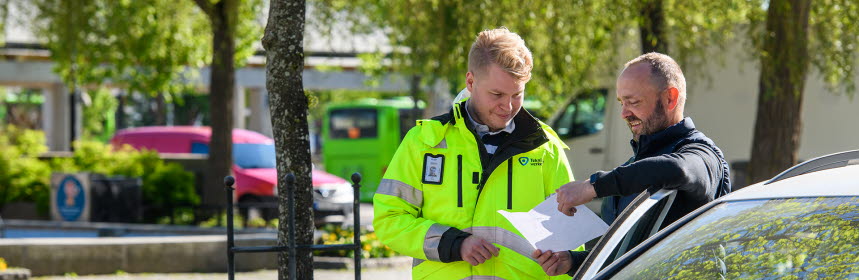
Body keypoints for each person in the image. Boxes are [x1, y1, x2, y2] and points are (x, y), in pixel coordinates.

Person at [373, 27, 581, 279]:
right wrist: (454, 244)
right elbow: (389, 221)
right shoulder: (424, 142)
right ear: (470, 82)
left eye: (517, 94)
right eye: (497, 94)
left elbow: (570, 236)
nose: (508, 106)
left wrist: (565, 259)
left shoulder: (546, 147)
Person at [533, 52, 731, 276]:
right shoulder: (632, 168)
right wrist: (571, 261)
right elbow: (624, 256)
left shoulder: (702, 154)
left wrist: (592, 187)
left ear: (670, 98)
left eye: (633, 102)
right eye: (621, 102)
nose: (624, 113)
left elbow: (677, 169)